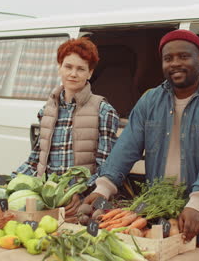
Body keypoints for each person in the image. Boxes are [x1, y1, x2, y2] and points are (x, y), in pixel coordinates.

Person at [83, 29, 199, 261]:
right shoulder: (150, 100)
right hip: (162, 215)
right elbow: (127, 146)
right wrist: (104, 186)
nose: (175, 63)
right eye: (168, 59)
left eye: (183, 56)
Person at [13, 37, 120, 220]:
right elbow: (35, 160)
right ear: (59, 68)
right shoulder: (47, 110)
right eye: (68, 67)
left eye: (81, 69)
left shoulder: (104, 110)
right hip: (49, 202)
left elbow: (107, 166)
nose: (73, 74)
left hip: (84, 204)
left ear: (90, 73)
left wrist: (79, 194)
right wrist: (10, 181)